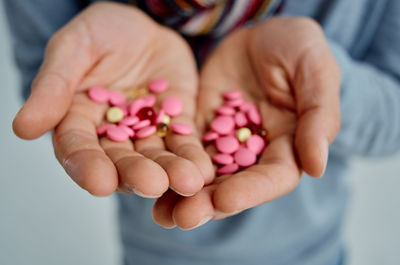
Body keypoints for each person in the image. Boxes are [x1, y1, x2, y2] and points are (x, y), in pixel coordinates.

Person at [4, 0, 400, 264]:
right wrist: (70, 82)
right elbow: (51, 89)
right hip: (152, 250)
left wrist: (324, 85)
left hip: (313, 252)